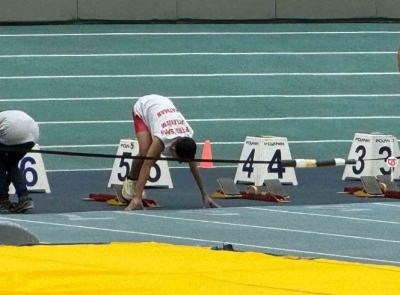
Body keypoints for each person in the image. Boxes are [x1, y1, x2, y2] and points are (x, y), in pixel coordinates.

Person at [122, 94, 219, 210]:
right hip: (143, 107)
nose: (179, 163)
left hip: (162, 108)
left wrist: (204, 194)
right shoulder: (161, 139)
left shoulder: (187, 140)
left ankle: (136, 183)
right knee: (145, 154)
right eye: (179, 160)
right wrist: (137, 197)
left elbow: (194, 168)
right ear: (172, 149)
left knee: (154, 156)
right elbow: (146, 166)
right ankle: (131, 178)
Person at [0, 110, 39, 213]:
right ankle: (24, 198)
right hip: (33, 134)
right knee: (11, 164)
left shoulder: (3, 117)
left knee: (2, 164)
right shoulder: (8, 114)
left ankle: (2, 200)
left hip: (13, 131)